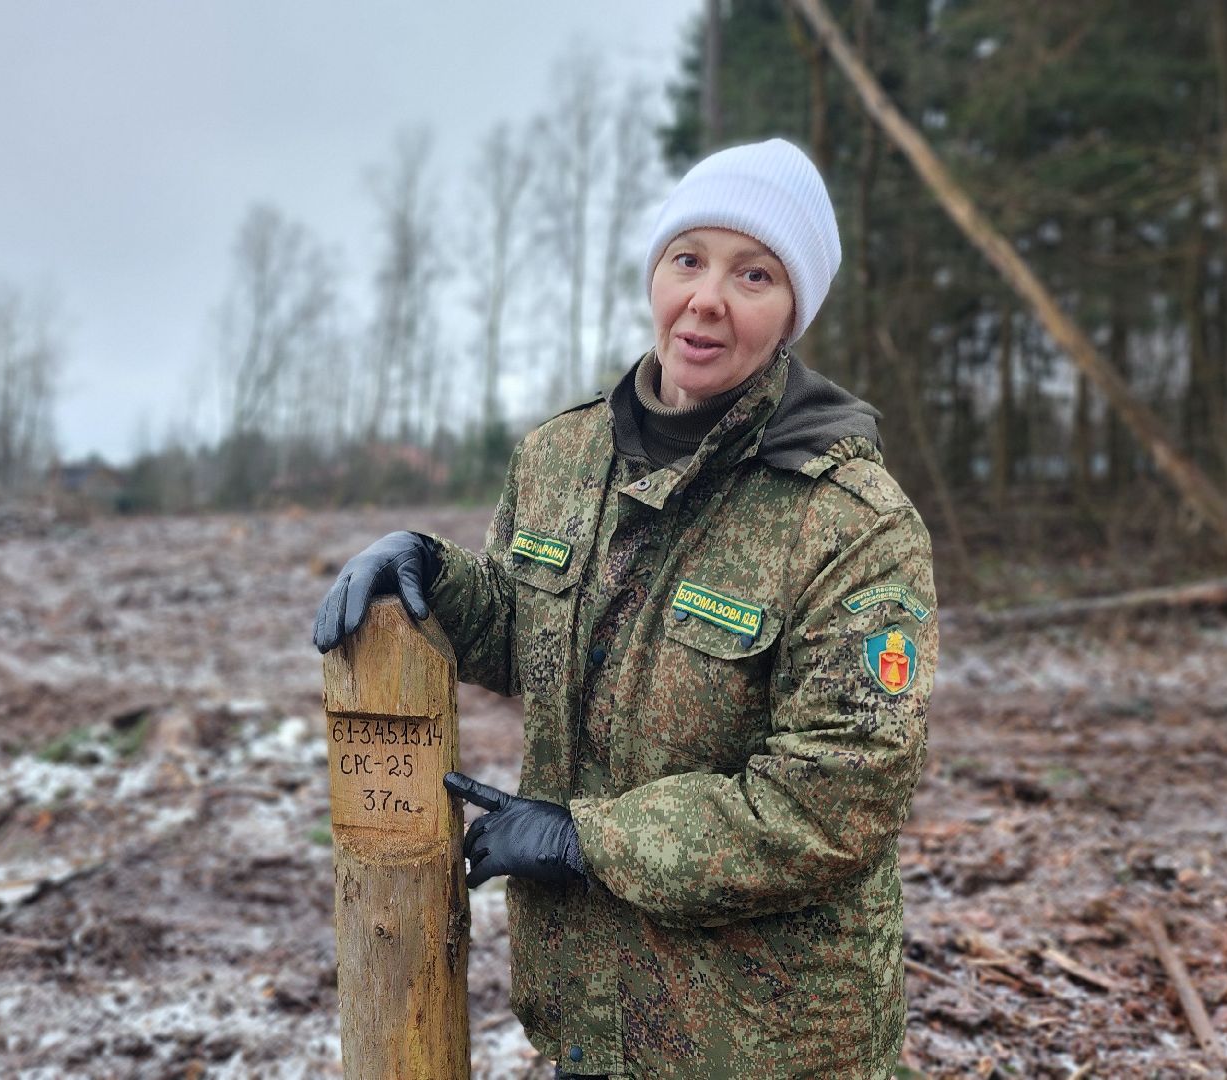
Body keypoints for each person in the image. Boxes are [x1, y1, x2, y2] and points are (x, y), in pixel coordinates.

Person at [313, 137, 937, 1078]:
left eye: (755, 274)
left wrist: (586, 839)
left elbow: (838, 796)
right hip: (592, 1017)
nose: (708, 300)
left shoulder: (850, 522)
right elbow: (529, 633)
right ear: (657, 271)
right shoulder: (561, 459)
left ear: (794, 308)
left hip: (767, 1042)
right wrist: (433, 574)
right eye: (689, 260)